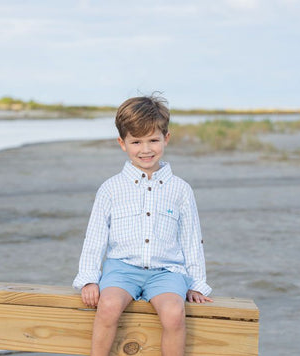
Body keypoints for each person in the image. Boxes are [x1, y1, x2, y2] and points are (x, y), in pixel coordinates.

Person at [73, 94, 212, 356]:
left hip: (166, 271)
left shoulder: (180, 190)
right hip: (121, 269)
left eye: (153, 140)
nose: (145, 149)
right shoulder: (111, 189)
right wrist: (89, 279)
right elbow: (95, 237)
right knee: (109, 305)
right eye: (136, 141)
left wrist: (196, 283)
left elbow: (192, 238)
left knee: (173, 313)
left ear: (166, 139)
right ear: (122, 143)